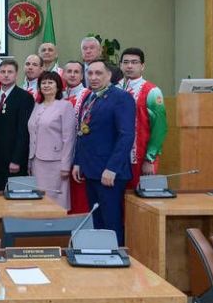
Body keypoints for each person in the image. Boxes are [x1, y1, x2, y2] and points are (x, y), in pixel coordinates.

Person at [72, 60, 135, 245]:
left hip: (109, 173)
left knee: (111, 222)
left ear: (109, 75)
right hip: (90, 170)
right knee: (96, 220)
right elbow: (82, 131)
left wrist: (112, 168)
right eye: (90, 73)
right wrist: (78, 162)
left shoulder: (121, 98)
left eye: (98, 73)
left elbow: (126, 136)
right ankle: (100, 258)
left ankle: (116, 259)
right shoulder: (89, 97)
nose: (93, 77)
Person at [118, 47, 168, 189]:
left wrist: (150, 159)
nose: (129, 66)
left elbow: (160, 127)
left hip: (140, 157)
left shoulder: (152, 91)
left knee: (139, 201)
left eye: (134, 62)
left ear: (142, 66)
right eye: (126, 62)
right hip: (117, 158)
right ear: (120, 65)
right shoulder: (114, 89)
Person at [28, 71, 76, 210]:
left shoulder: (65, 106)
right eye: (43, 83)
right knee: (38, 200)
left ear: (58, 86)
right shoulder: (37, 106)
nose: (46, 85)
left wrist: (66, 166)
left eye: (50, 82)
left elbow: (69, 138)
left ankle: (56, 230)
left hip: (55, 163)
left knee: (56, 201)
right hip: (36, 161)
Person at [0, 60, 34, 191]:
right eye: (3, 72)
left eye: (10, 72)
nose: (6, 75)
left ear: (16, 75)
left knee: (15, 200)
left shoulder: (24, 97)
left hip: (14, 160)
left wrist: (17, 159)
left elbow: (24, 131)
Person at [62, 60, 91, 214]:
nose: (72, 75)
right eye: (69, 71)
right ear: (64, 74)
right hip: (60, 155)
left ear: (82, 75)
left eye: (76, 72)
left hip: (79, 155)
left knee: (80, 200)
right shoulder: (59, 95)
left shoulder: (87, 95)